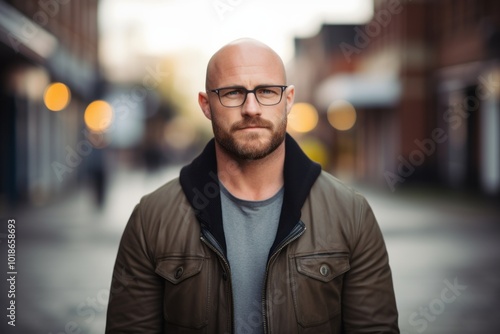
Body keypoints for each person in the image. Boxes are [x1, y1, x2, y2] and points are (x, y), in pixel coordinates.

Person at [105, 38, 399, 333]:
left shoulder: (351, 214)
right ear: (206, 105)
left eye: (266, 91)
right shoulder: (152, 218)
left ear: (289, 100)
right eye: (232, 93)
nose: (251, 108)